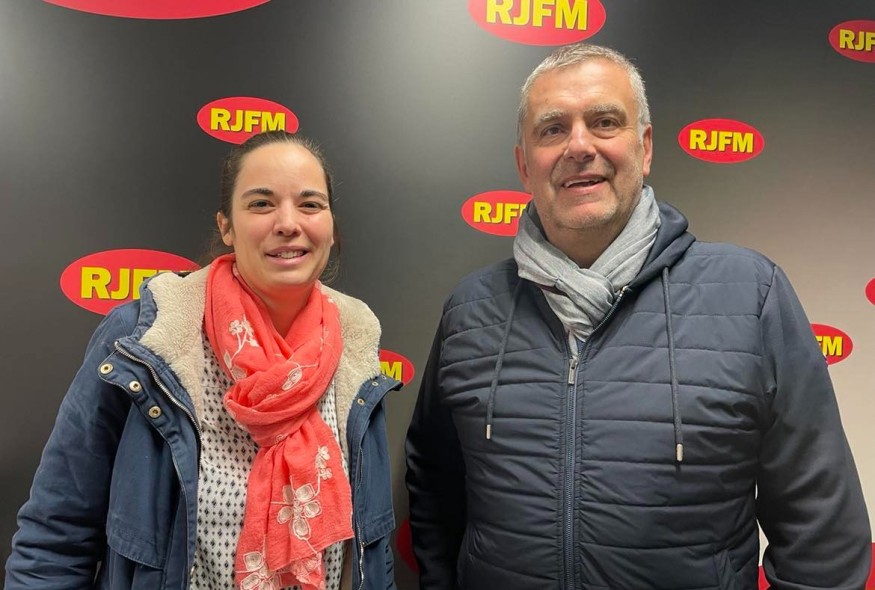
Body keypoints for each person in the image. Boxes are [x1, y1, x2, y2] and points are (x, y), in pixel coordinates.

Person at [405, 43, 871, 589]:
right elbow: (434, 489)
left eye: (605, 122)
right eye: (553, 129)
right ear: (524, 165)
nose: (580, 146)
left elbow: (821, 528)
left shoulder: (751, 295)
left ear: (645, 147)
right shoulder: (471, 310)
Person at [6, 130, 400, 590]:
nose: (288, 222)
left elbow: (373, 550)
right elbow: (57, 535)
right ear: (226, 226)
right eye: (261, 204)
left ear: (330, 227)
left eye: (310, 204)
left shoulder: (356, 348)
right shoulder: (144, 340)